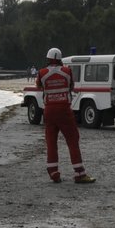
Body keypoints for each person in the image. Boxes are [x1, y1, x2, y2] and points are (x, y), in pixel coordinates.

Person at [38, 47, 94, 183]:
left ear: (48, 59)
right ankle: (80, 173)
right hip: (64, 110)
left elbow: (40, 87)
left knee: (51, 141)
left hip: (49, 110)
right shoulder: (67, 71)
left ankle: (53, 172)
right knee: (72, 140)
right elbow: (71, 87)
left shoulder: (42, 73)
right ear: (60, 59)